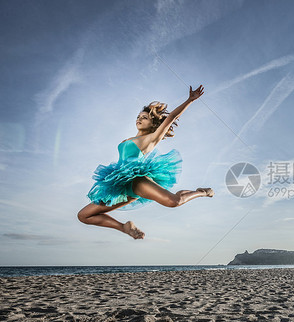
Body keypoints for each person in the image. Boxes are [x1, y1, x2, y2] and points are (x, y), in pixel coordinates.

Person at [77, 85, 213, 239]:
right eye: (138, 117)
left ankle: (201, 192)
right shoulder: (126, 140)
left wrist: (190, 100)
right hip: (119, 185)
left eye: (145, 118)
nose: (139, 119)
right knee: (83, 215)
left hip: (137, 181)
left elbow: (171, 118)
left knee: (174, 202)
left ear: (153, 124)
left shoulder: (150, 139)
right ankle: (124, 227)